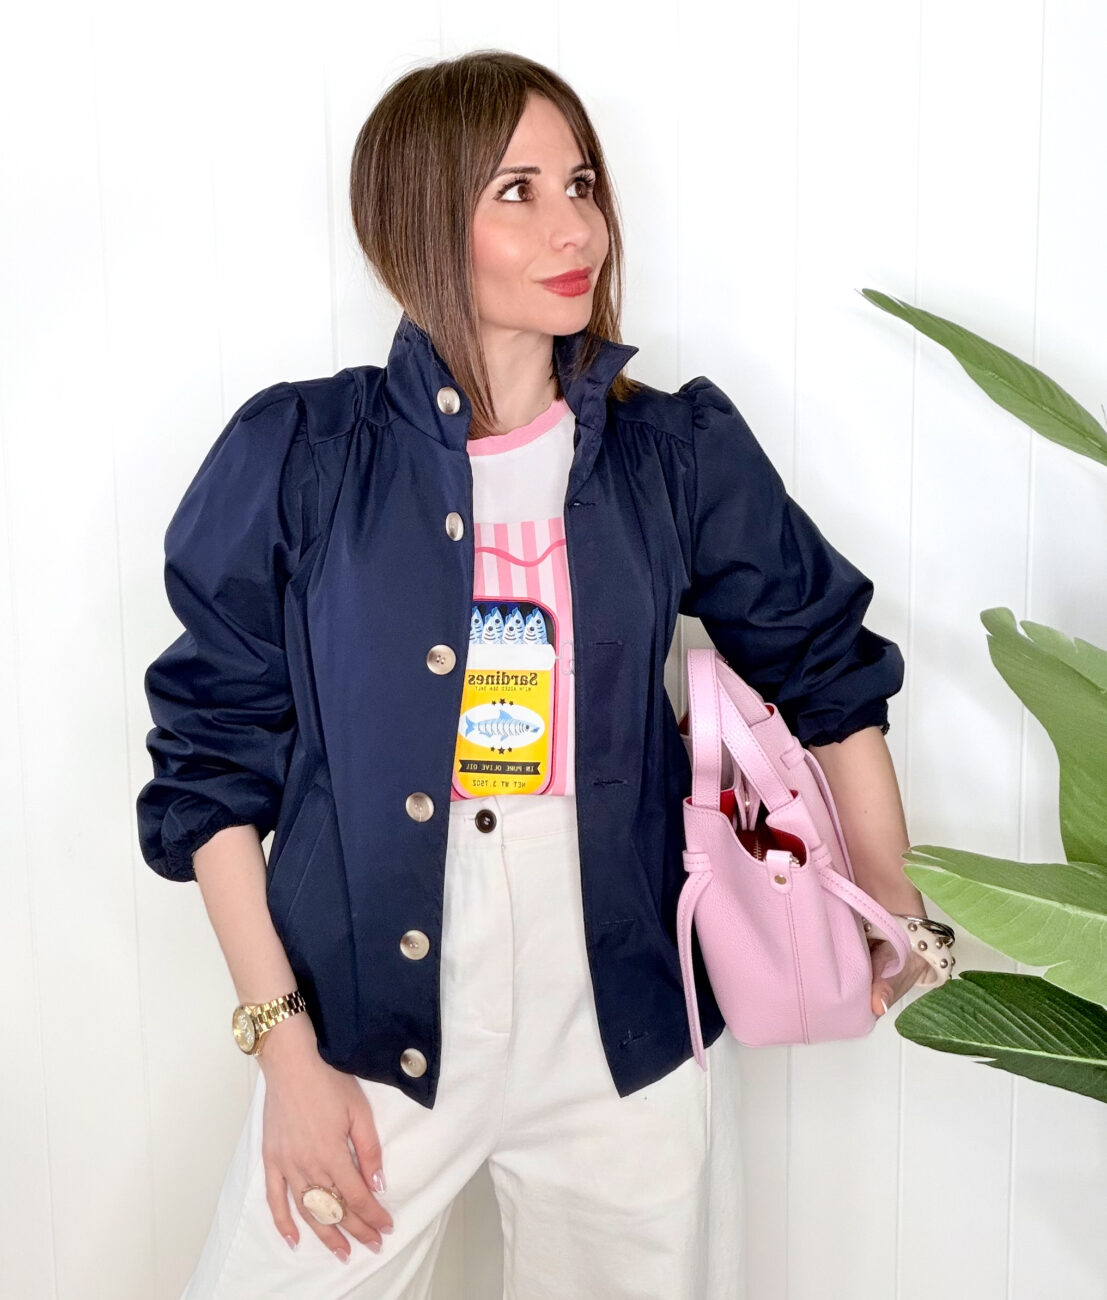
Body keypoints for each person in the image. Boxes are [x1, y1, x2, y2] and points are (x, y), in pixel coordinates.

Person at [136, 50, 934, 1299]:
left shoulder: (673, 451)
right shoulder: (303, 453)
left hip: (621, 1018)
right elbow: (209, 768)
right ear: (418, 220)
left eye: (581, 185)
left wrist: (889, 899)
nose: (576, 229)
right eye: (517, 191)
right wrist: (285, 1054)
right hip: (370, 1022)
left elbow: (823, 664)